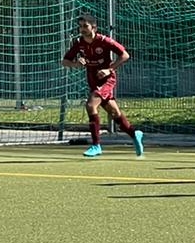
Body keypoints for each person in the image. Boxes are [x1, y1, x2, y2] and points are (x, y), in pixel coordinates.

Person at [61, 15, 144, 159]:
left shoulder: (104, 41)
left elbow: (125, 55)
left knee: (90, 105)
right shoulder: (79, 43)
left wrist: (109, 69)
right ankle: (134, 133)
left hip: (106, 81)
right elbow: (65, 61)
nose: (82, 29)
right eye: (80, 26)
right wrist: (76, 64)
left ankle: (96, 145)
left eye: (85, 26)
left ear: (94, 27)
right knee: (115, 113)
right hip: (93, 81)